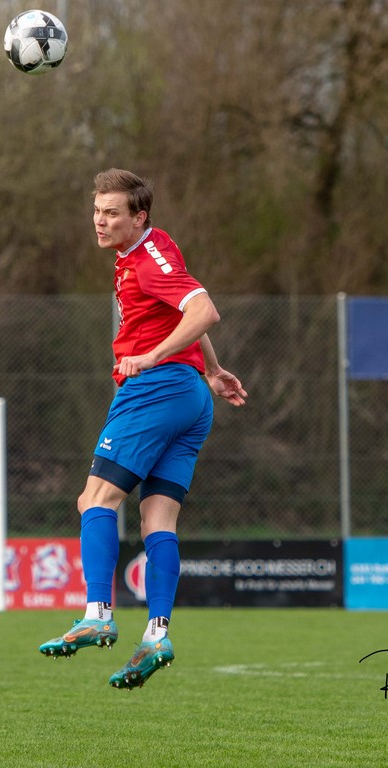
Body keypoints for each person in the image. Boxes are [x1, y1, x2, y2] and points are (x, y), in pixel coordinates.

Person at [39, 168, 247, 690]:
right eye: (96, 211)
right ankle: (156, 634)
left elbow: (205, 311)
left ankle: (97, 615)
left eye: (112, 213)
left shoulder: (147, 261)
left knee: (95, 500)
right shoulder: (154, 248)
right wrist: (212, 370)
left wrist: (152, 357)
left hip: (156, 390)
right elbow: (185, 311)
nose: (100, 221)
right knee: (158, 520)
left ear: (139, 217)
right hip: (192, 396)